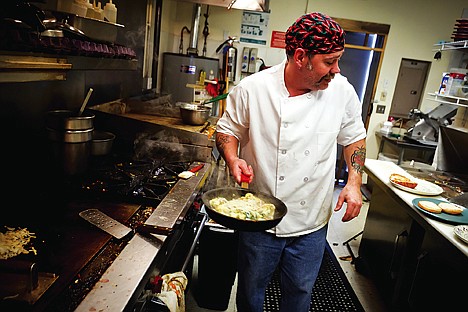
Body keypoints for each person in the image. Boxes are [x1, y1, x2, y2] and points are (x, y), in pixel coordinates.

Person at [215, 12, 367, 312]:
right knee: (251, 291)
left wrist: (354, 181)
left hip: (311, 219)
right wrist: (233, 159)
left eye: (339, 59)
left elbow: (354, 139)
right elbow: (226, 131)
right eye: (329, 61)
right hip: (259, 218)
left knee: (300, 292)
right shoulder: (253, 89)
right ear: (300, 56)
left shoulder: (342, 91)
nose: (336, 69)